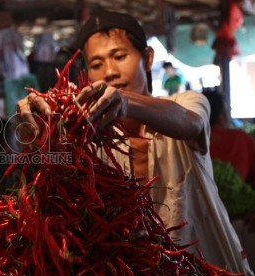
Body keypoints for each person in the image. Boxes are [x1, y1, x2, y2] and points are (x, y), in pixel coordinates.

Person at [16, 9, 253, 275]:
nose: (109, 72)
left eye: (120, 56)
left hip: (207, 266)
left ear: (148, 58)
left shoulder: (186, 102)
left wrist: (126, 102)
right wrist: (39, 131)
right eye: (96, 64)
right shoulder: (87, 138)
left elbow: (191, 122)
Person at [203, 89, 255, 188]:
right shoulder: (240, 138)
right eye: (228, 109)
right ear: (221, 115)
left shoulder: (186, 142)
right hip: (235, 202)